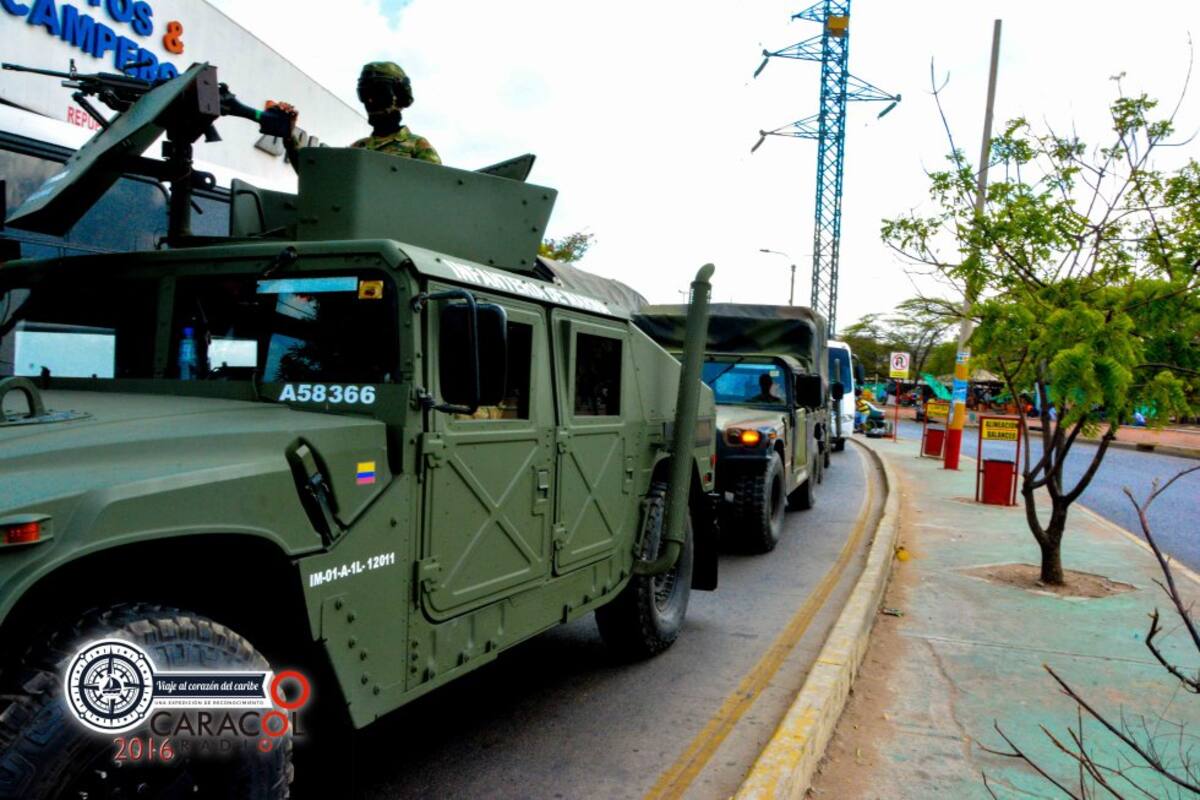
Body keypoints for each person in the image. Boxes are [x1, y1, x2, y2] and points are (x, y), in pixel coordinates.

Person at [351, 62, 441, 163]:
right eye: (365, 94)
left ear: (400, 97)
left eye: (380, 93)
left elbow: (435, 178)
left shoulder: (418, 146)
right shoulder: (356, 149)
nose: (370, 100)